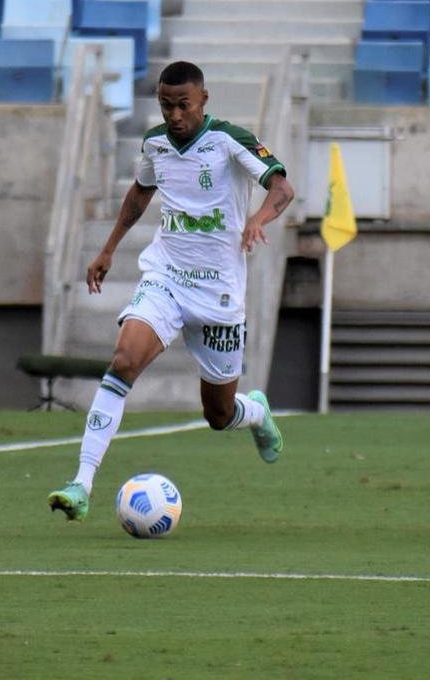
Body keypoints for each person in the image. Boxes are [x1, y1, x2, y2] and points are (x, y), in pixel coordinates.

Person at [48, 61, 295, 521]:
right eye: (166, 105)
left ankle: (255, 413)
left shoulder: (229, 140)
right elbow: (140, 192)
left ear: (203, 99)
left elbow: (281, 186)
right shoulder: (155, 144)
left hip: (219, 293)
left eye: (183, 105)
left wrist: (258, 220)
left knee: (219, 415)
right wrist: (109, 249)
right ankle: (80, 484)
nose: (175, 114)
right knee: (123, 361)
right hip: (165, 277)